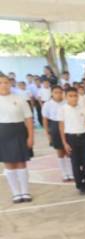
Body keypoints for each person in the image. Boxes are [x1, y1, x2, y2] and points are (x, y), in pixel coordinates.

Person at [0, 74, 35, 204]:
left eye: (6, 82)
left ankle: (25, 191)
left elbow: (29, 118)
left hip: (19, 131)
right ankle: (16, 192)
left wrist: (31, 136)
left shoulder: (19, 99)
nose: (3, 85)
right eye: (1, 83)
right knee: (9, 163)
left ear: (10, 84)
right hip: (2, 133)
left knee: (21, 162)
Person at [59, 87, 85, 195]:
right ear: (66, 97)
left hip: (83, 137)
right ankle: (80, 185)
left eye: (75, 96)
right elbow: (61, 126)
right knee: (75, 163)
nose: (73, 98)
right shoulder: (63, 109)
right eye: (70, 96)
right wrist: (64, 143)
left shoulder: (83, 108)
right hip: (71, 138)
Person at [42, 85, 73, 182]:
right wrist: (47, 132)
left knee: (68, 150)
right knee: (60, 151)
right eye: (56, 92)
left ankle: (71, 172)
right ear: (52, 93)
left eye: (60, 92)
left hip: (67, 125)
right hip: (54, 126)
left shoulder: (66, 103)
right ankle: (64, 173)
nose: (58, 94)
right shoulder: (47, 104)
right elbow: (45, 119)